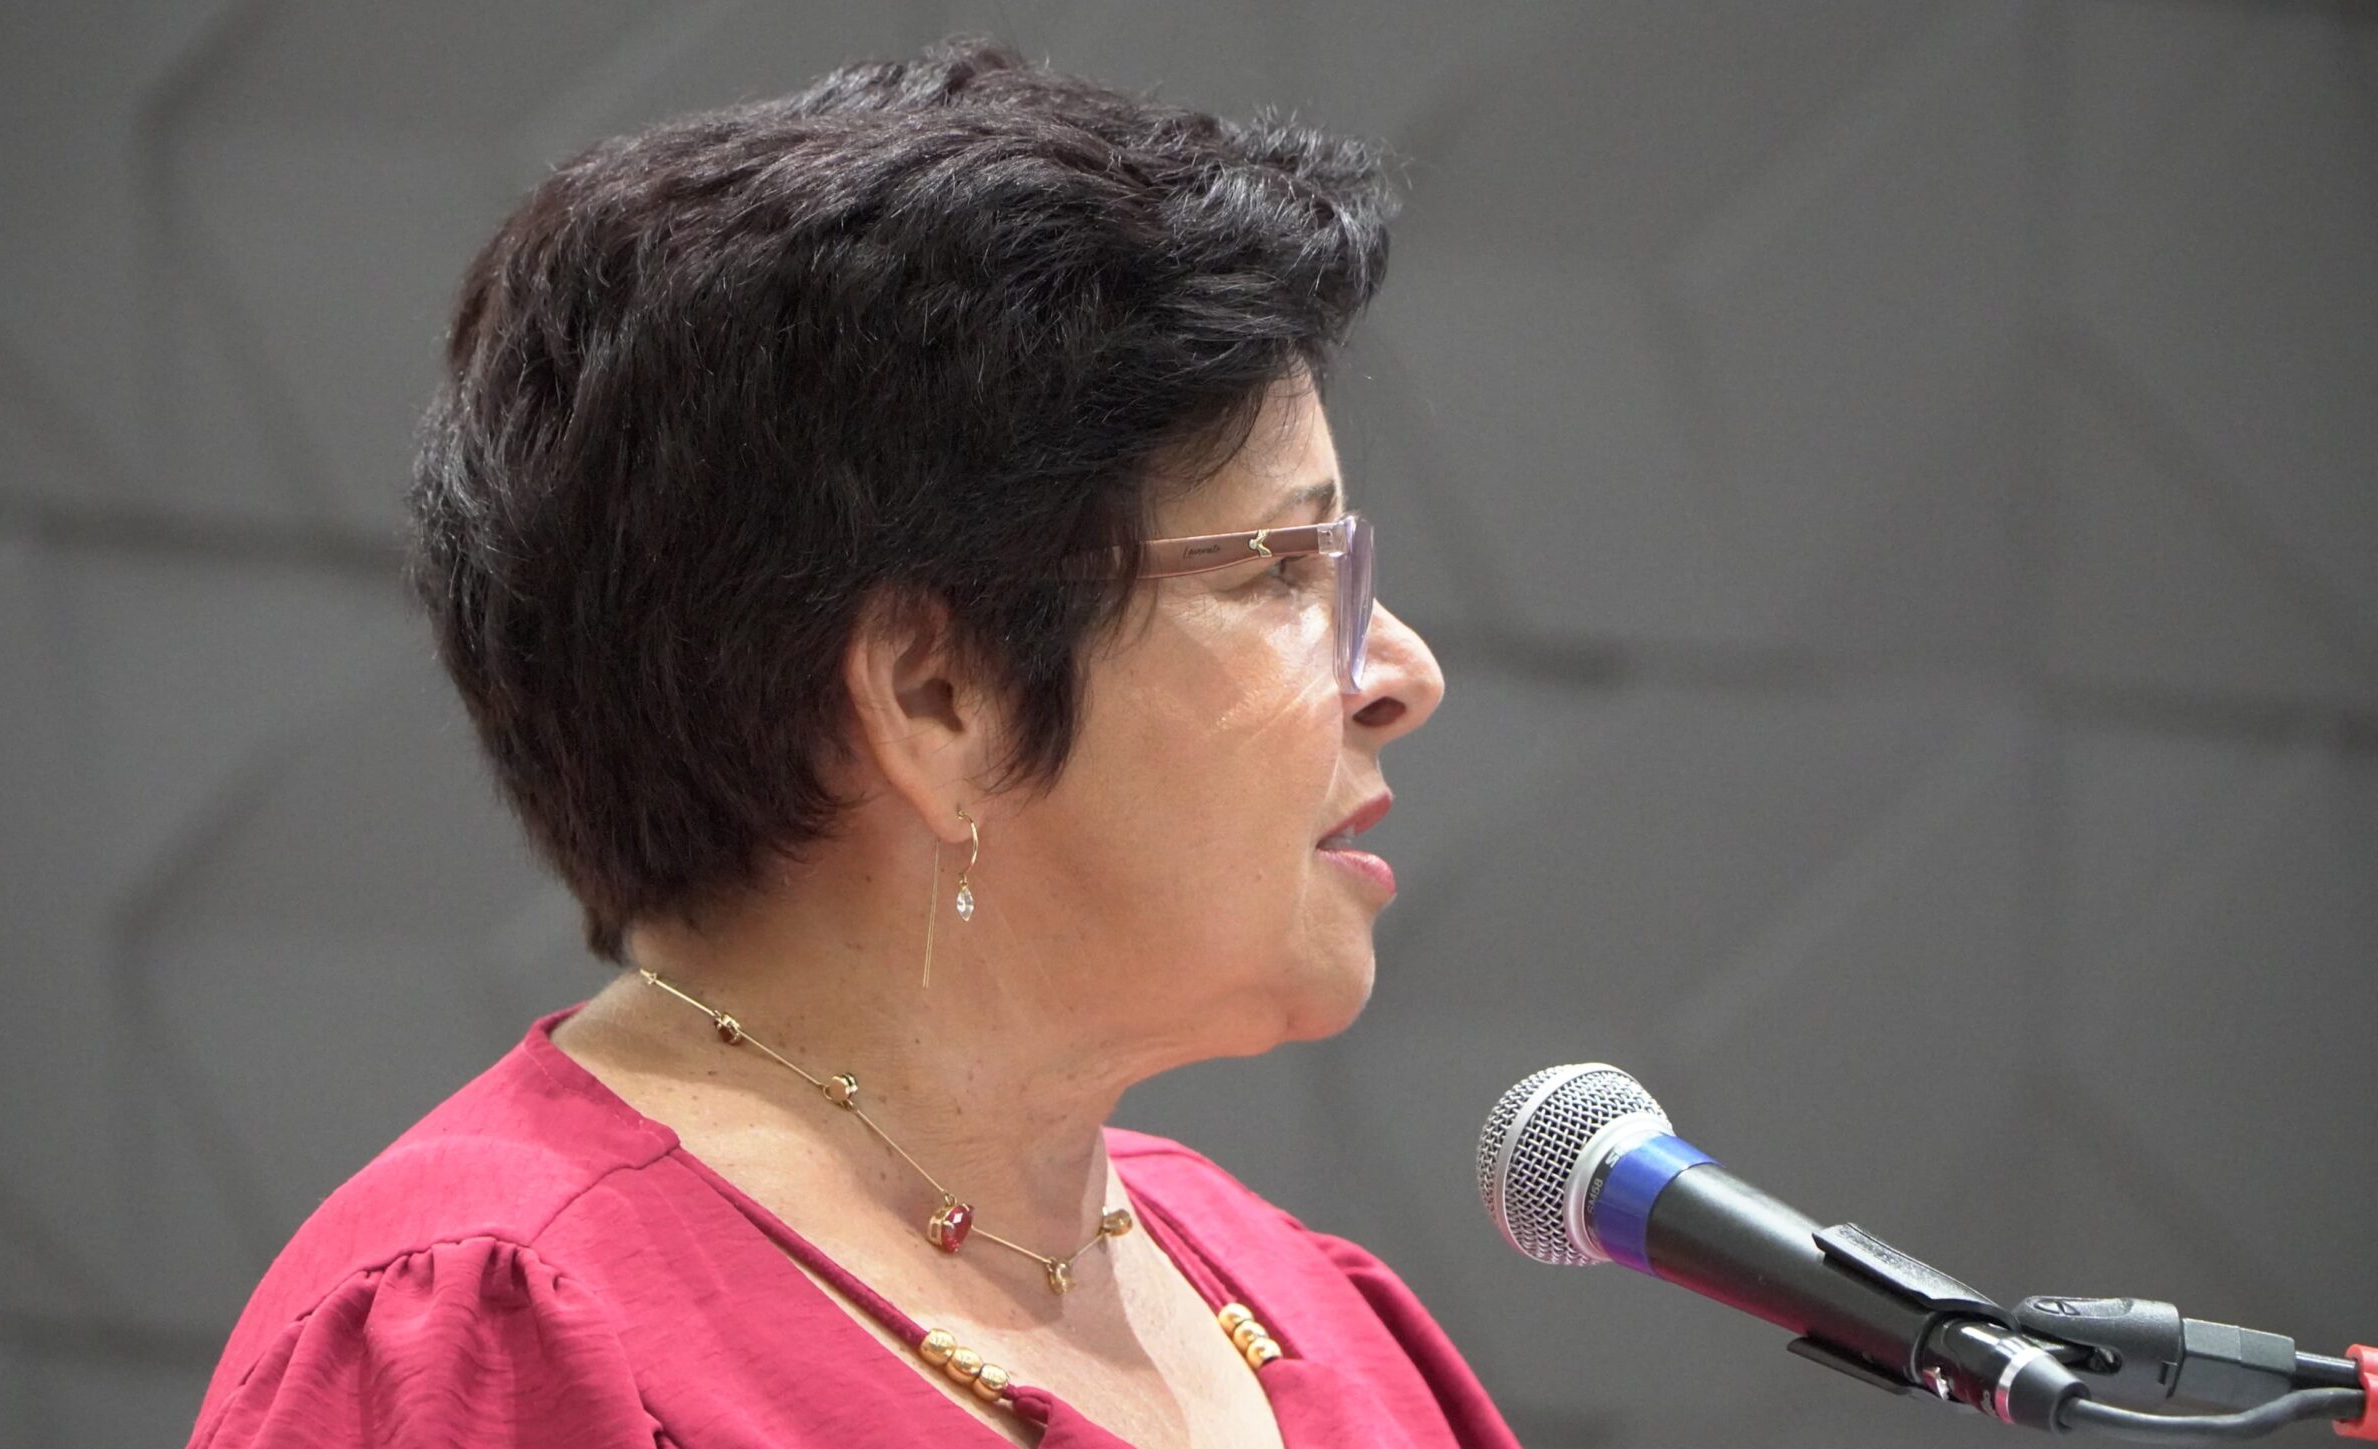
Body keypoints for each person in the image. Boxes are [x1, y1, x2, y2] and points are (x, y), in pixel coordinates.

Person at [188, 36, 1510, 1449]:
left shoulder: (1318, 1316)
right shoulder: (492, 1344)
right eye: (1285, 571)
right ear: (937, 695)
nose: (1403, 674)